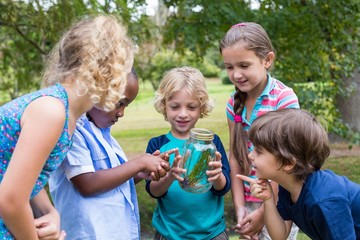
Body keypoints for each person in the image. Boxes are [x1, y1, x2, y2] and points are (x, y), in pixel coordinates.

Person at [0, 14, 135, 239]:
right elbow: (10, 200)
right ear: (107, 68)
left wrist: (50, 212)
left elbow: (23, 176)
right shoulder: (51, 111)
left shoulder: (71, 116)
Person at [49, 68, 172, 239]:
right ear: (96, 92)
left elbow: (111, 179)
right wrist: (138, 163)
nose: (121, 113)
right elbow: (87, 184)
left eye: (126, 105)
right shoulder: (73, 130)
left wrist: (139, 173)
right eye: (119, 103)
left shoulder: (104, 134)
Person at [219, 22, 300, 239]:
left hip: (278, 202)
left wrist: (264, 213)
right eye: (229, 67)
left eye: (244, 65)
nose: (236, 74)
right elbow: (235, 156)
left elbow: (288, 162)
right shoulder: (232, 104)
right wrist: (240, 209)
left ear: (267, 60)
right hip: (247, 200)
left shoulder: (284, 99)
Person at [237, 108, 360, 240]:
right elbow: (280, 235)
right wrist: (268, 199)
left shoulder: (323, 200)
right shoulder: (288, 188)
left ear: (288, 163)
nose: (250, 155)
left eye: (259, 151)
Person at [145, 66, 231, 240]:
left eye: (191, 107)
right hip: (169, 234)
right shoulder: (157, 145)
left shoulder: (211, 143)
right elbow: (153, 191)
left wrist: (218, 177)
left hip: (212, 234)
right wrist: (169, 176)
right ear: (164, 106)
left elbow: (222, 189)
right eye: (175, 107)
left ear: (201, 107)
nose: (183, 114)